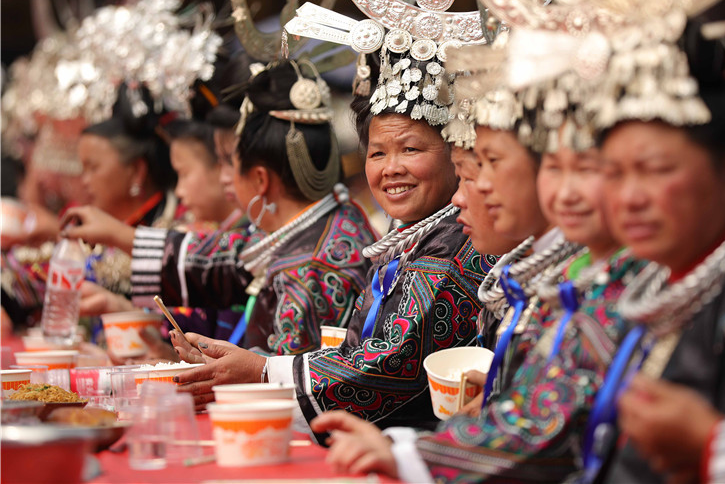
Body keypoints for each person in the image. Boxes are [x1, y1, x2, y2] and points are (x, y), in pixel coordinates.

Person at [309, 87, 644, 483]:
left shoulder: (603, 285)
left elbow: (552, 423)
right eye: (377, 152)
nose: (474, 191)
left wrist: (412, 455)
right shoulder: (549, 276)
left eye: (488, 166)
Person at [171, 38, 495, 438]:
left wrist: (258, 371)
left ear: (455, 155)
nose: (391, 168)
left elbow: (388, 363)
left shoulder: (456, 246)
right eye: (377, 153)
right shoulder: (408, 234)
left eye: (410, 149)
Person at [586, 23, 725, 484]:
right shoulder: (668, 273)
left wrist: (711, 443)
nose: (629, 198)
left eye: (655, 170)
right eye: (614, 173)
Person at [65, 60, 376, 353]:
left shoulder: (316, 267)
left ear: (259, 179)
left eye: (229, 162)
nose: (224, 176)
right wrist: (117, 234)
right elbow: (219, 259)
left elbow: (285, 385)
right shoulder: (315, 226)